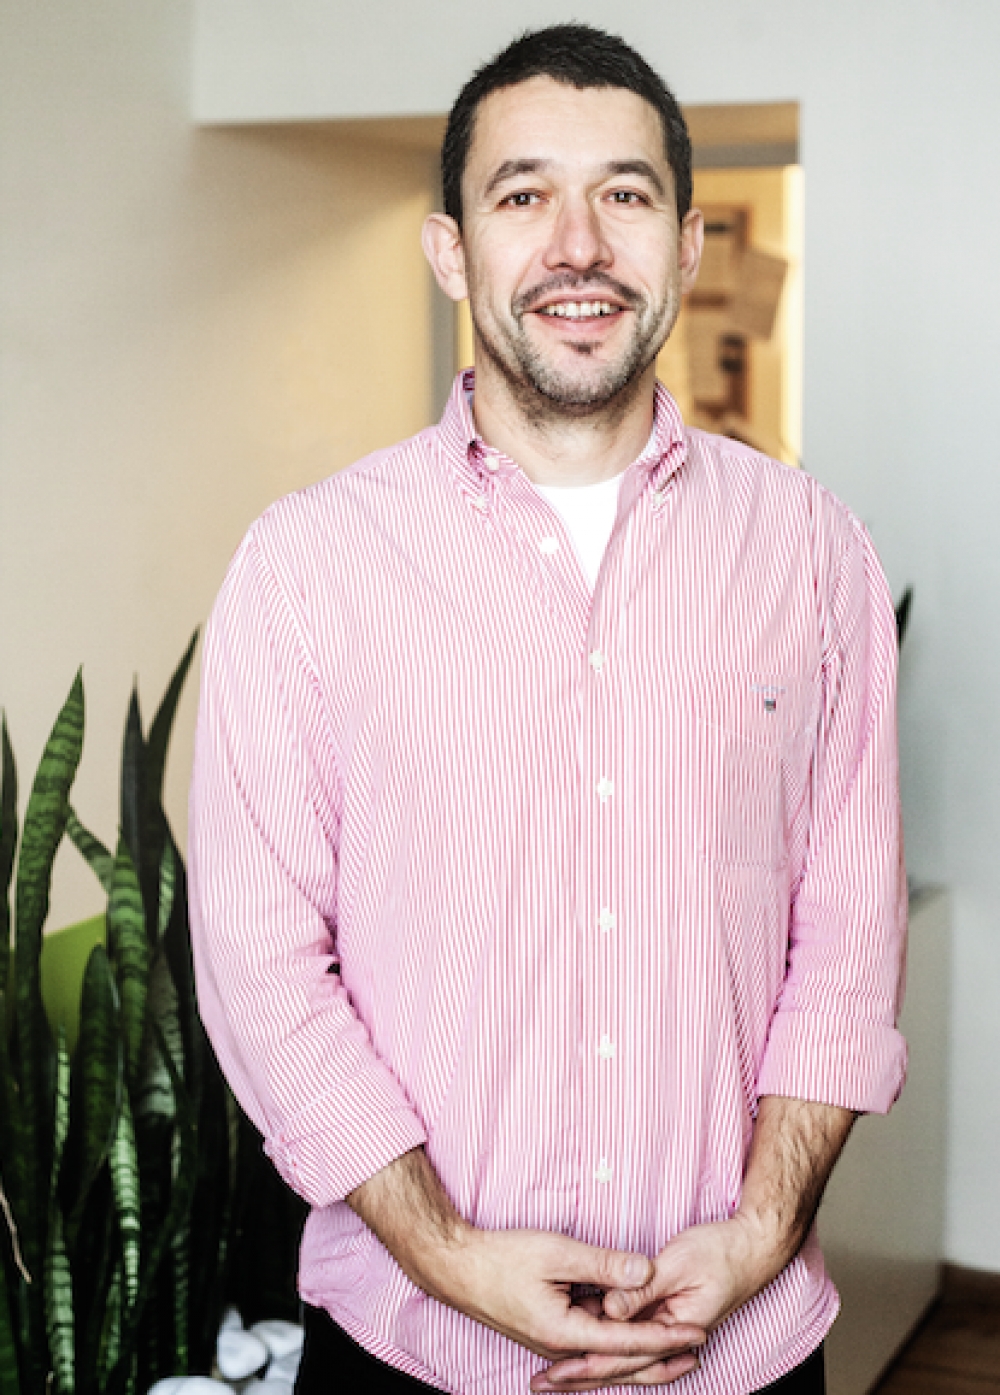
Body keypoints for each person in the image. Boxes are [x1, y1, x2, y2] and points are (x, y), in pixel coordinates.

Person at [188, 23, 907, 1395]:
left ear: (686, 244)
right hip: (416, 1346)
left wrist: (762, 1232)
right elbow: (260, 959)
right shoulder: (306, 565)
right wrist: (444, 1251)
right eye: (522, 195)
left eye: (624, 194)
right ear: (452, 249)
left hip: (742, 1348)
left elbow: (849, 937)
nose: (579, 245)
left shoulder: (812, 550)